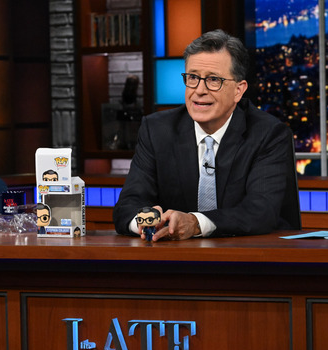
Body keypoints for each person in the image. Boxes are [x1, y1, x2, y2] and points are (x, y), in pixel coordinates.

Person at [113, 29, 300, 241]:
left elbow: (260, 211)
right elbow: (127, 207)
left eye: (213, 80)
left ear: (239, 90)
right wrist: (145, 223)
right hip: (173, 261)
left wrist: (195, 223)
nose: (199, 90)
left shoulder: (269, 134)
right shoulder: (157, 130)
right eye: (193, 77)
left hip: (250, 257)